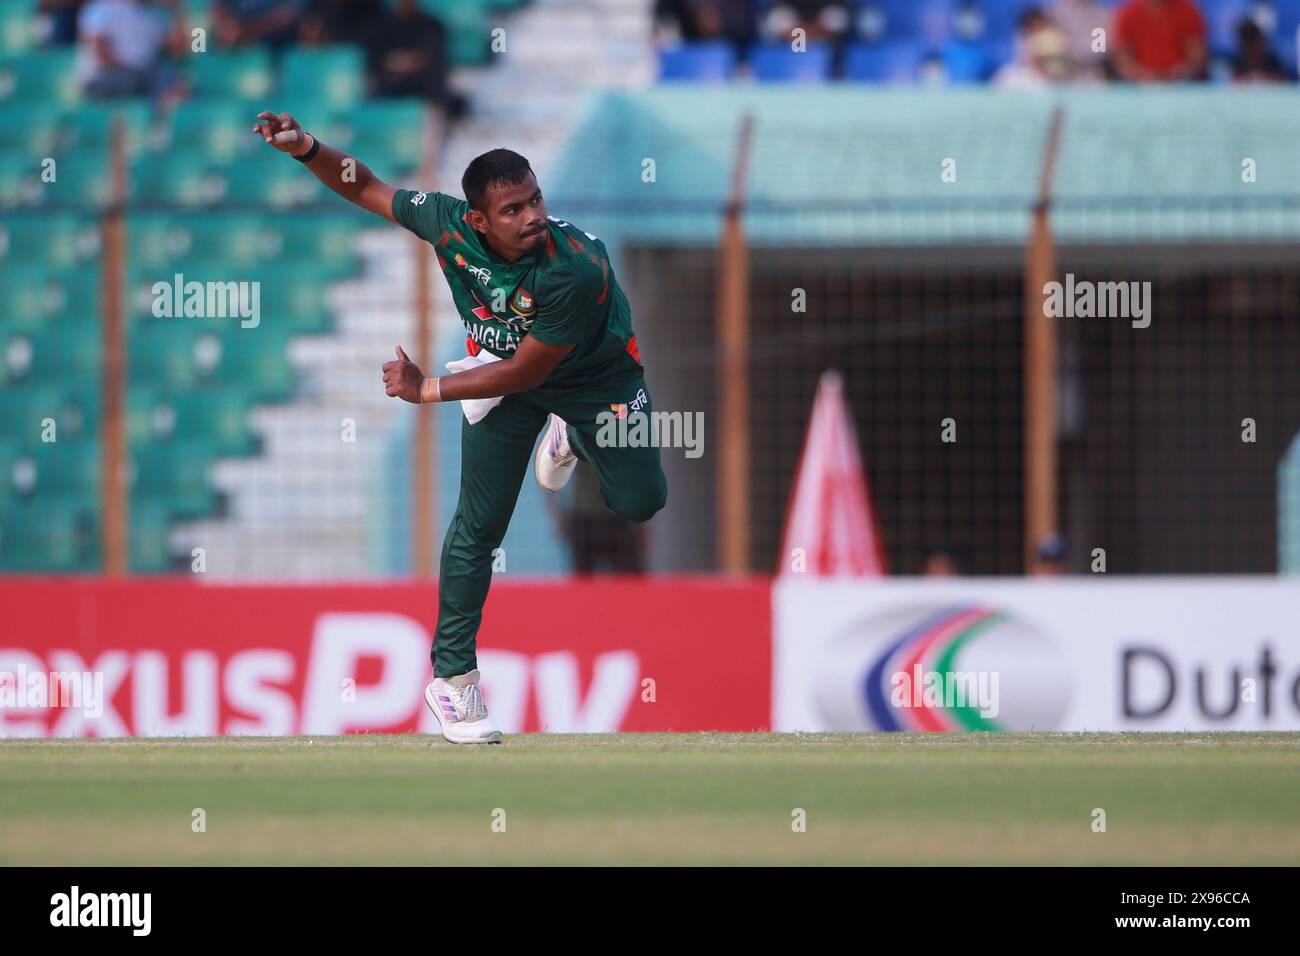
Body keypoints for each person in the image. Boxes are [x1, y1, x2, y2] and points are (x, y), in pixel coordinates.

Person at [252, 110, 668, 744]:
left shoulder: (574, 267)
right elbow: (366, 186)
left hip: (595, 381)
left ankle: (572, 434)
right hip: (507, 376)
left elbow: (530, 371)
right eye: (513, 210)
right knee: (477, 527)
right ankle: (454, 682)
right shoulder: (449, 224)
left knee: (642, 501)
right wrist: (304, 147)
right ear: (478, 220)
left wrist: (430, 390)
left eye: (535, 201)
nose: (532, 217)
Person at [75, 0, 186, 100]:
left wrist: (174, 8)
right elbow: (99, 52)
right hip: (102, 78)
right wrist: (129, 69)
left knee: (166, 75)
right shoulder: (102, 7)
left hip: (139, 77)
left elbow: (178, 47)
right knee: (154, 79)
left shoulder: (150, 15)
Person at [1111, 0, 1206, 83]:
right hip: (1139, 85)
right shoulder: (1128, 12)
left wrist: (1180, 73)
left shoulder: (1187, 11)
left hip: (1180, 84)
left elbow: (1195, 54)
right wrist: (1140, 75)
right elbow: (1122, 57)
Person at [1232, 18, 1286, 84]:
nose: (1253, 49)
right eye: (1249, 46)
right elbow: (1232, 82)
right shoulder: (1237, 61)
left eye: (1255, 44)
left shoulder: (1271, 60)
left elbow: (1284, 81)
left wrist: (1263, 78)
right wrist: (1249, 78)